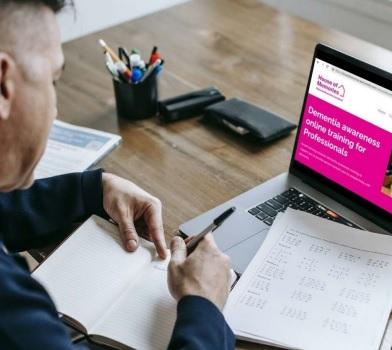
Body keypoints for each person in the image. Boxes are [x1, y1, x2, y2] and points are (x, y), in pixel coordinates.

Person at [0, 1, 234, 348]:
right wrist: (204, 309)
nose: (54, 109)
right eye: (52, 80)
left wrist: (91, 190)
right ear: (3, 83)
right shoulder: (13, 316)